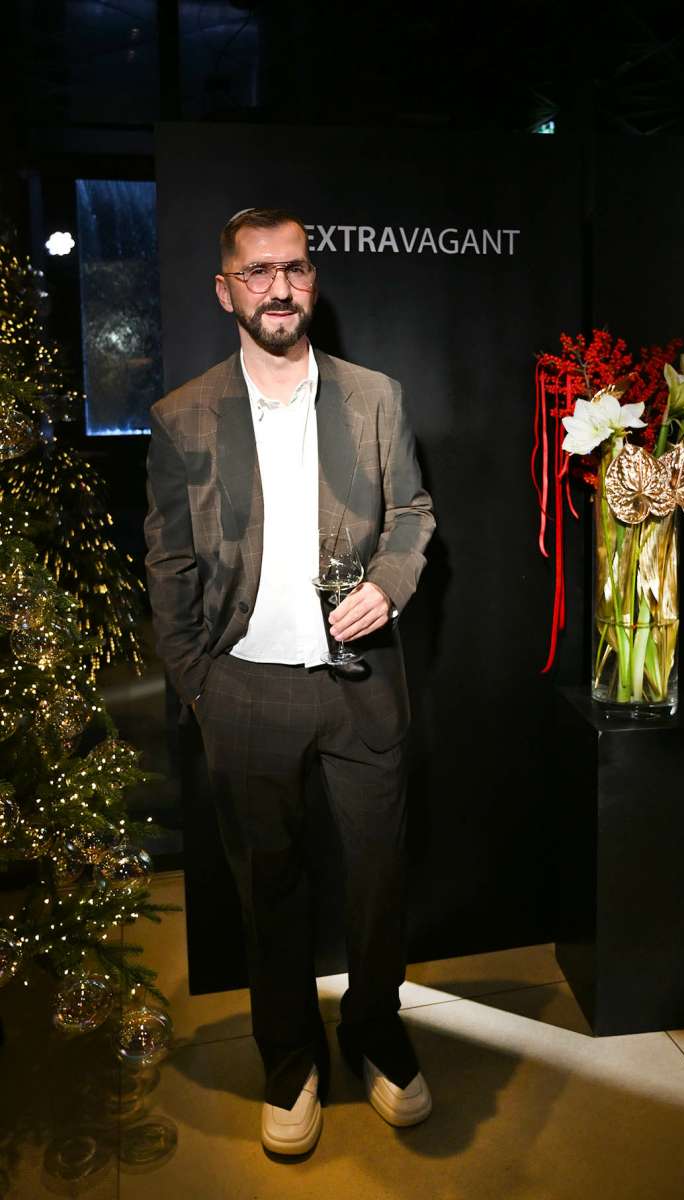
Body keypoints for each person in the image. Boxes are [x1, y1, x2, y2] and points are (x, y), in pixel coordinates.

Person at [144, 207, 436, 1155]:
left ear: (314, 279)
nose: (280, 288)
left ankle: (375, 1031)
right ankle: (289, 1056)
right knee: (268, 887)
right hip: (243, 690)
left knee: (379, 881)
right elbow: (169, 564)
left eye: (296, 268)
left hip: (362, 686)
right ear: (225, 290)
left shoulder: (375, 397)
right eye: (259, 271)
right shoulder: (182, 415)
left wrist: (391, 583)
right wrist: (199, 684)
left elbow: (412, 512)